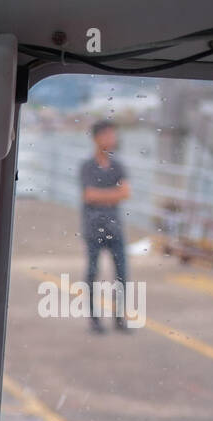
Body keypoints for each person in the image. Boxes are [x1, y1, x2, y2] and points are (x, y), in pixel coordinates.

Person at [79, 120, 131, 332]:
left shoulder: (119, 166)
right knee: (92, 272)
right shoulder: (87, 166)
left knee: (122, 274)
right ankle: (94, 319)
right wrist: (113, 194)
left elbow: (126, 193)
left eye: (113, 135)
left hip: (115, 227)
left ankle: (119, 319)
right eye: (107, 135)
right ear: (96, 138)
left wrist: (104, 195)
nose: (112, 139)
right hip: (93, 228)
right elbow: (88, 195)